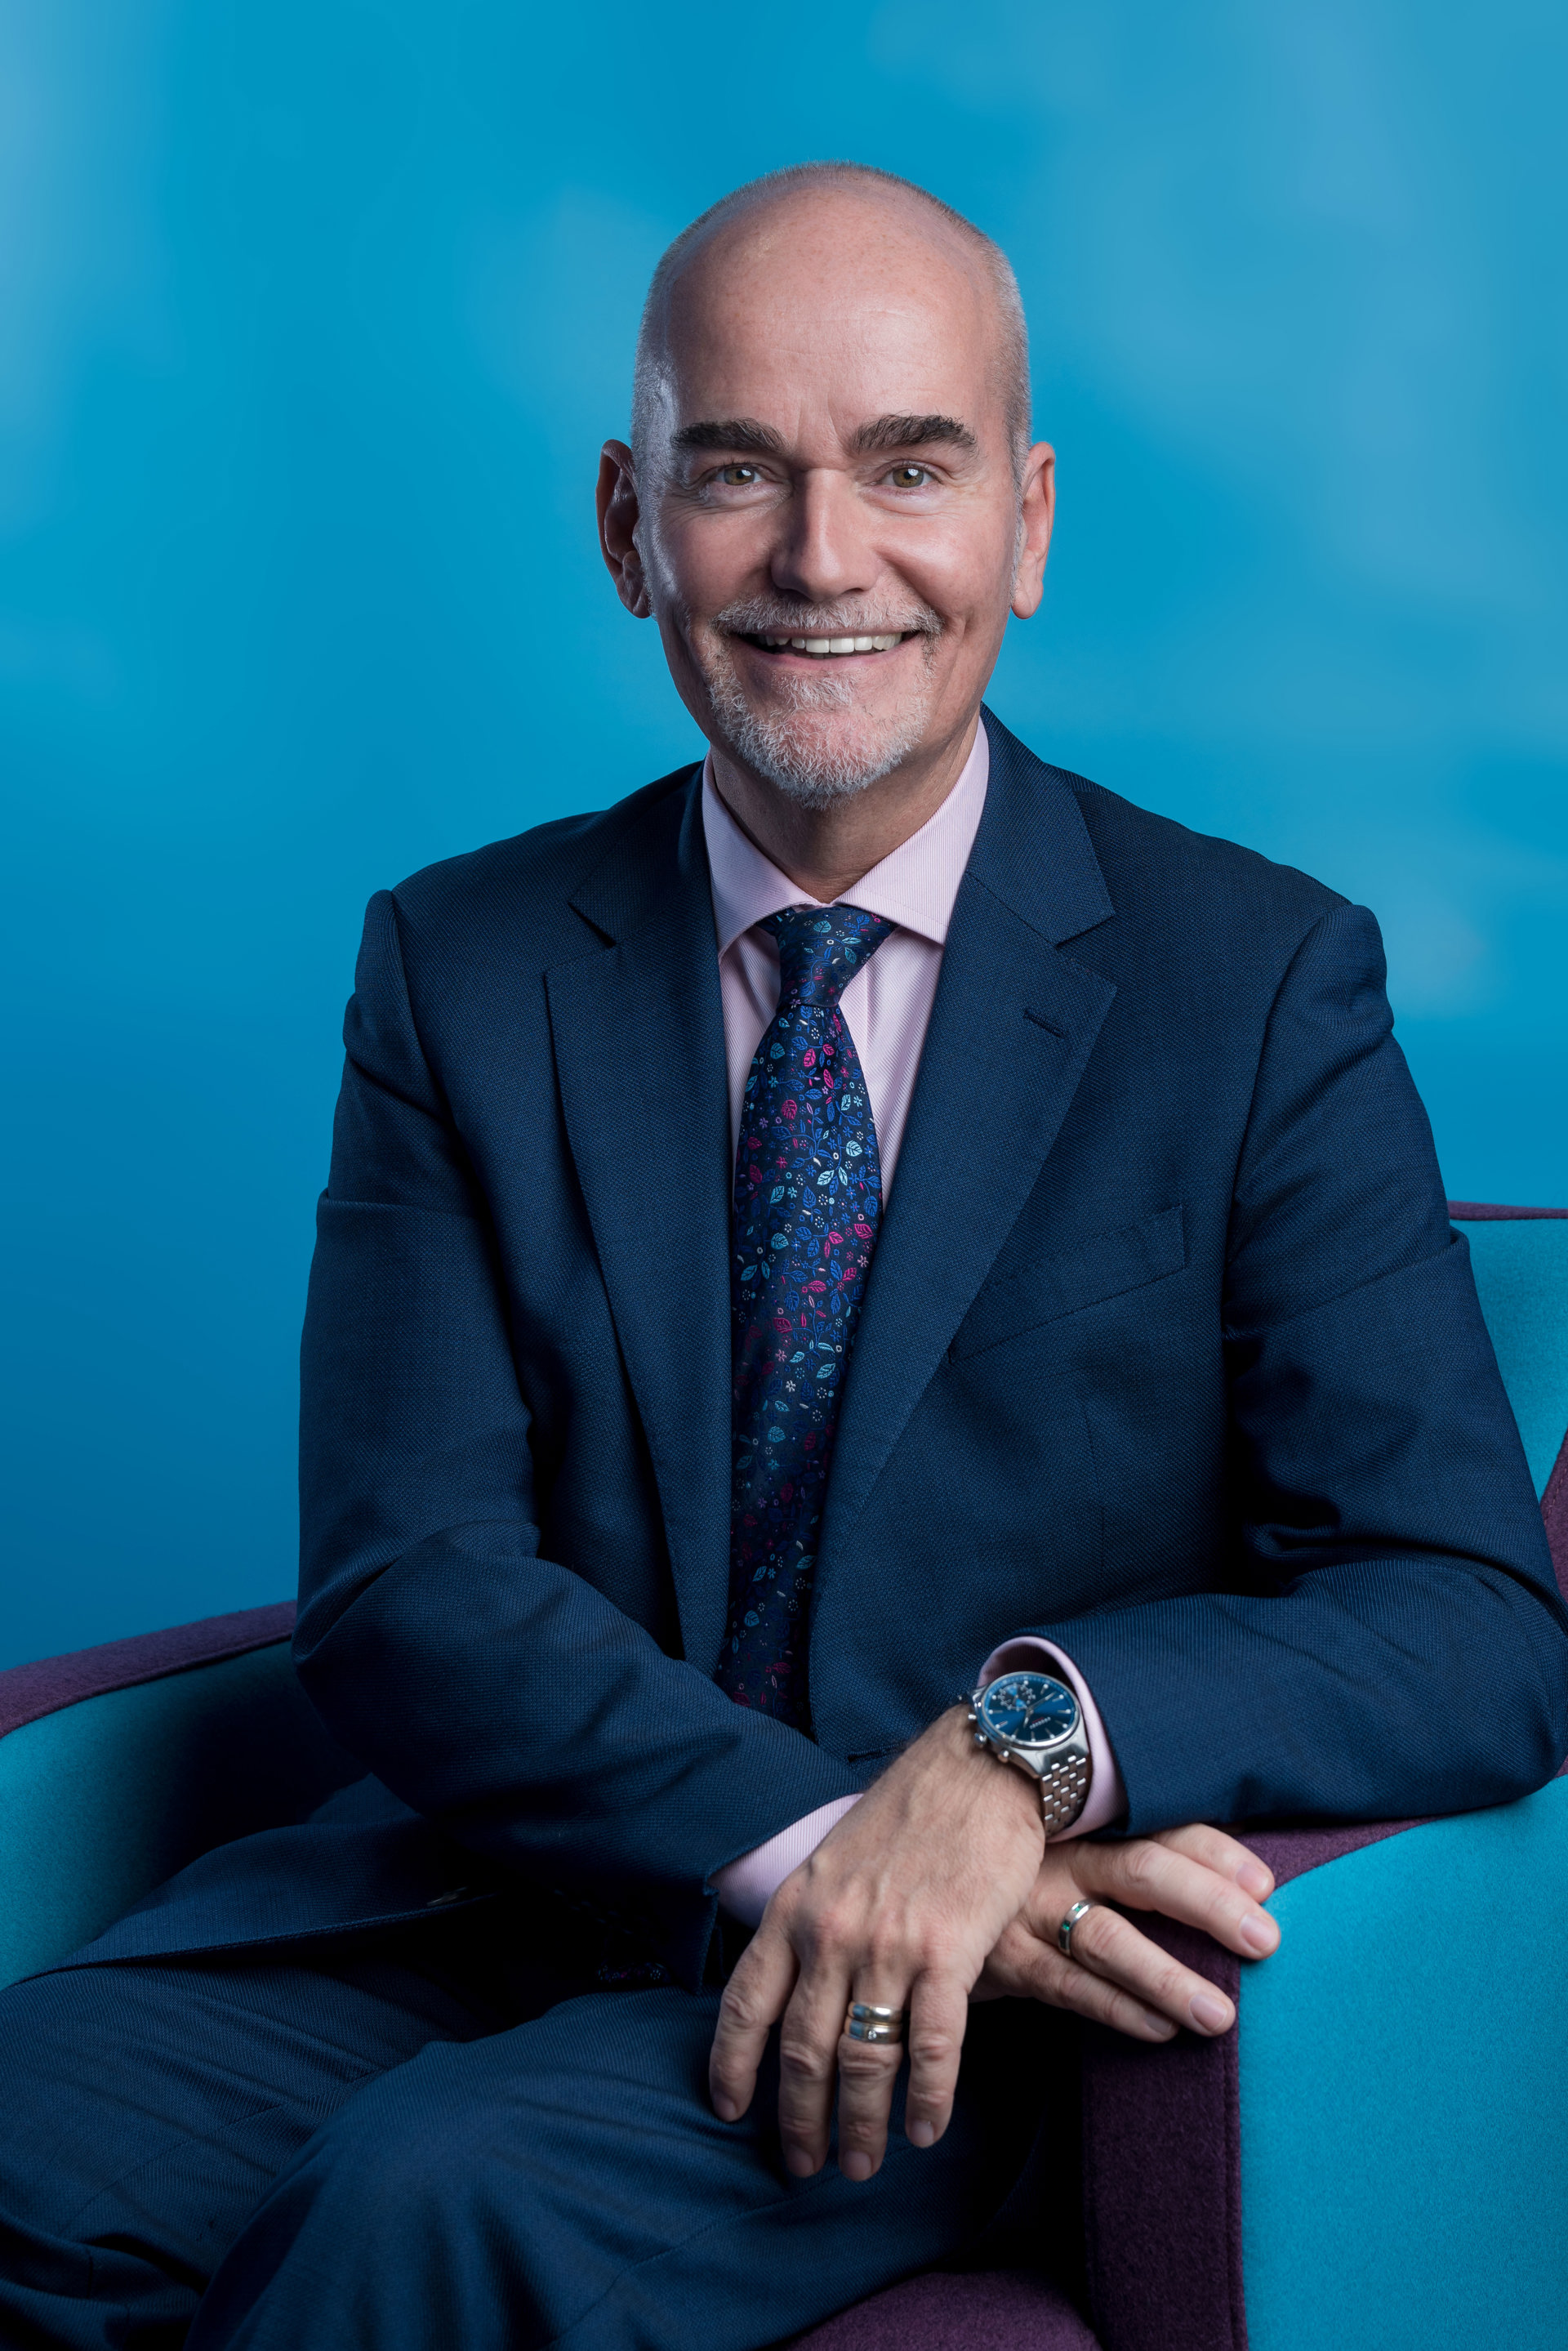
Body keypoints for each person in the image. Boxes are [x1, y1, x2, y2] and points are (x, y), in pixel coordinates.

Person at [0, 160, 1562, 2351]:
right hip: (511, 1888)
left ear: (1024, 521)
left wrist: (1014, 1753)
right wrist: (812, 1829)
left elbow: (1472, 1619)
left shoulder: (1258, 981)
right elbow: (405, 1579)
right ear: (630, 524)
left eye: (906, 468)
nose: (827, 561)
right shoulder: (461, 966)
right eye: (742, 475)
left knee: (429, 2215)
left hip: (930, 2024)